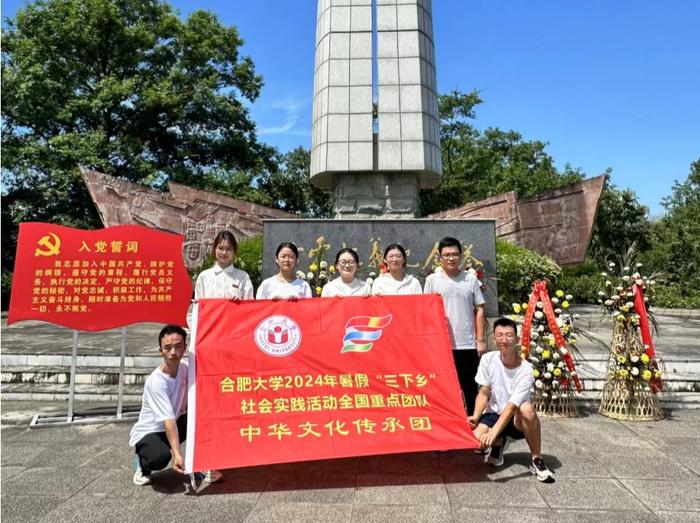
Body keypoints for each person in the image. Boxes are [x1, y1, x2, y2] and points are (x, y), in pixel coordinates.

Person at [129, 325, 222, 486]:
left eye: (178, 346)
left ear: (185, 347)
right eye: (168, 348)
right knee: (160, 457)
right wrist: (178, 455)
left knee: (205, 414)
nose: (173, 352)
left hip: (175, 422)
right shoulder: (157, 382)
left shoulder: (185, 368)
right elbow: (168, 421)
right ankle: (142, 464)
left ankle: (201, 465)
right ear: (161, 351)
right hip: (151, 431)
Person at [470, 317, 555, 483]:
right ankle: (498, 443)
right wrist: (475, 416)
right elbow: (484, 392)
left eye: (509, 335)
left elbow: (511, 406)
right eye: (499, 335)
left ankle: (536, 459)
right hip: (494, 413)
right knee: (475, 443)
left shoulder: (526, 369)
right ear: (493, 339)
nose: (504, 340)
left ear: (517, 339)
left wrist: (493, 432)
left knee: (527, 409)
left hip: (516, 418)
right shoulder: (487, 359)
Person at [424, 237, 485, 415]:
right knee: (443, 386)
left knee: (469, 385)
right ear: (440, 258)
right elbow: (425, 311)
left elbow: (479, 309)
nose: (451, 258)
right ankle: (449, 423)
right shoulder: (432, 280)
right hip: (441, 344)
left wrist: (480, 340)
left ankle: (473, 422)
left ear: (461, 257)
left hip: (466, 343)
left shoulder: (470, 280)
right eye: (447, 255)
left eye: (455, 254)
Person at [194, 230, 254, 300]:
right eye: (220, 248)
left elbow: (249, 305)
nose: (224, 252)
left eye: (228, 249)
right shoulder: (204, 277)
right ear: (215, 249)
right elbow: (198, 306)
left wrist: (239, 304)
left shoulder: (243, 277)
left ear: (234, 252)